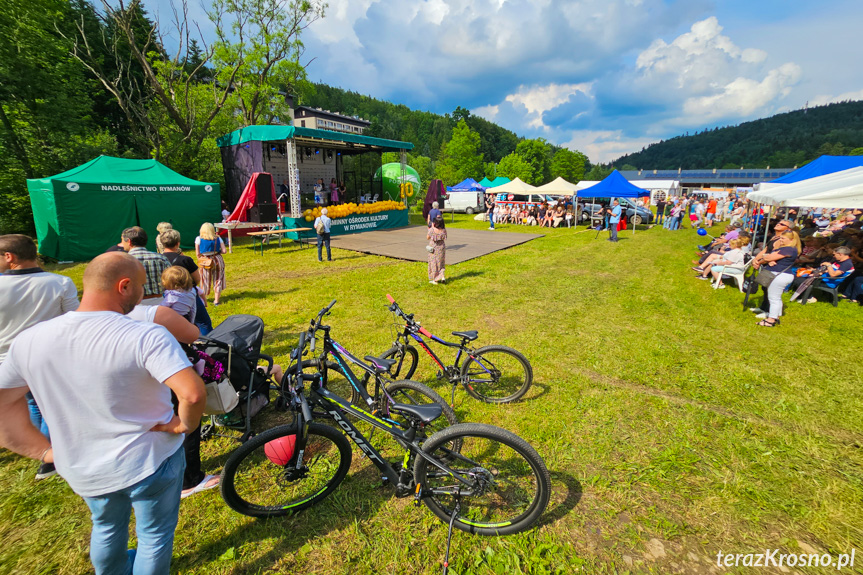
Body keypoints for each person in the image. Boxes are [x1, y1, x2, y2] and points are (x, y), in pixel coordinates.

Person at [0, 252, 207, 574]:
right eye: (140, 286)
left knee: (106, 529)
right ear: (124, 287)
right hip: (150, 459)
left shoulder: (29, 341)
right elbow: (192, 393)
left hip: (83, 468)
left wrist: (44, 451)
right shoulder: (145, 335)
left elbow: (4, 405)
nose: (143, 292)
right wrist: (183, 425)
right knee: (154, 536)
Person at [0, 234, 80, 480]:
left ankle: (45, 452)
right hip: (48, 357)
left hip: (6, 358)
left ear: (9, 257)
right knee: (50, 404)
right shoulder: (60, 283)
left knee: (33, 403)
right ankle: (50, 454)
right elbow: (75, 320)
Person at [159, 229, 212, 335]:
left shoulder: (158, 259)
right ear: (178, 243)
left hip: (166, 297)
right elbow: (197, 279)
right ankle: (209, 346)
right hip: (188, 295)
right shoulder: (185, 260)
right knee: (203, 323)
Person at [752, 230, 800, 327]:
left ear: (791, 239)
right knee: (776, 298)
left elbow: (768, 257)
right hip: (780, 275)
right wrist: (769, 258)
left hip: (779, 275)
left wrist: (768, 259)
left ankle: (771, 320)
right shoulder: (788, 249)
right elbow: (768, 257)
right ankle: (776, 316)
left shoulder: (788, 249)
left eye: (783, 238)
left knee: (773, 298)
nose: (780, 240)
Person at [121, 226, 171, 305]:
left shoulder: (123, 261)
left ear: (129, 242)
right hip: (161, 303)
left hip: (135, 305)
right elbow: (172, 282)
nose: (122, 243)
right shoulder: (161, 258)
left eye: (122, 240)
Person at [195, 223, 227, 306]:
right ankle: (216, 301)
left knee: (204, 279)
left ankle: (204, 300)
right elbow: (224, 251)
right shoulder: (218, 238)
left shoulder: (198, 239)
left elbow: (197, 254)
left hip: (205, 260)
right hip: (217, 259)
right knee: (218, 279)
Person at [427, 216, 447, 285]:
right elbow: (444, 237)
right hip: (441, 247)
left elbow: (427, 237)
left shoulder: (432, 230)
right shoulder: (444, 230)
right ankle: (442, 276)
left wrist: (432, 227)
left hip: (434, 248)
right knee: (441, 262)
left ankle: (435, 279)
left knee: (434, 263)